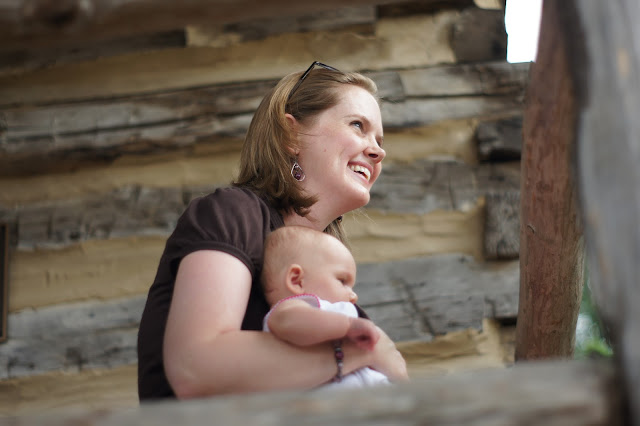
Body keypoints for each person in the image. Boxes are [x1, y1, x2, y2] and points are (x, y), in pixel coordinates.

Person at [137, 61, 408, 401]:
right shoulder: (235, 213)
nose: (378, 150)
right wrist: (357, 352)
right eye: (358, 125)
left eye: (379, 140)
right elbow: (195, 367)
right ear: (290, 135)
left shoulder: (335, 289)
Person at [261, 225, 391, 390]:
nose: (353, 295)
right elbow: (291, 323)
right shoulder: (288, 309)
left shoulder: (326, 310)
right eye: (342, 281)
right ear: (297, 281)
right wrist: (348, 326)